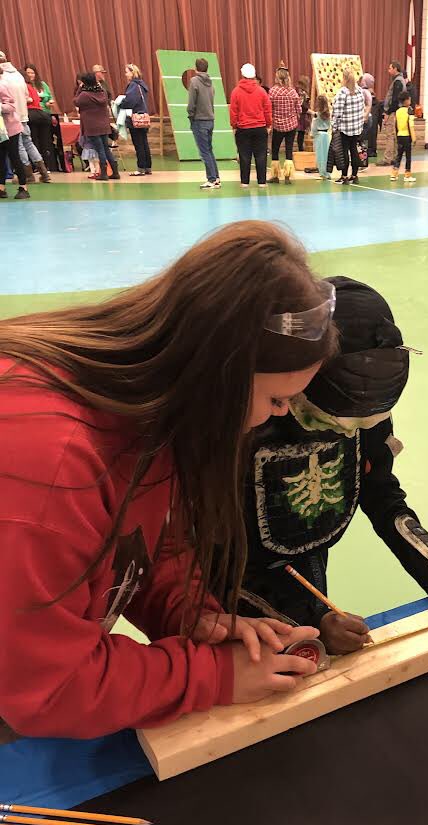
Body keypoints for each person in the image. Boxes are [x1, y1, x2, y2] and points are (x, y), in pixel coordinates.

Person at [0, 221, 338, 740]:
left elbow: (147, 541)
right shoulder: (48, 462)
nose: (277, 417)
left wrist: (189, 613)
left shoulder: (148, 413)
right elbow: (50, 688)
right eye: (275, 399)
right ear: (217, 374)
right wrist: (215, 676)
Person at [229, 276, 428, 653]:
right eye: (332, 422)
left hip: (305, 563)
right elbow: (210, 563)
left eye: (364, 424)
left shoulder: (361, 408)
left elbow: (380, 493)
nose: (348, 432)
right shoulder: (248, 422)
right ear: (300, 382)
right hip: (227, 593)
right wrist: (311, 618)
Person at [0, 51, 50, 183]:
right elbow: (27, 95)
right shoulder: (18, 75)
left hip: (9, 117)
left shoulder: (3, 77)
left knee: (19, 146)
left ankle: (27, 175)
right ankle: (44, 172)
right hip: (23, 114)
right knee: (28, 142)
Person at [230, 63, 272, 189]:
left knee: (244, 155)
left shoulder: (236, 91)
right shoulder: (262, 91)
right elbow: (267, 109)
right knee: (261, 155)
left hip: (243, 128)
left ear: (242, 75)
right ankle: (262, 182)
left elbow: (233, 111)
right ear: (254, 76)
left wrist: (234, 126)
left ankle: (245, 182)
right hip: (260, 127)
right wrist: (268, 125)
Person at [74, 73, 120, 181]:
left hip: (92, 126)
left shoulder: (84, 95)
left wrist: (79, 89)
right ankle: (115, 172)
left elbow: (76, 101)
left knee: (100, 149)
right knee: (105, 148)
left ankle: (103, 173)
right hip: (104, 125)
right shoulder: (102, 92)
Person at [188, 58, 220, 190]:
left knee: (204, 151)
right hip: (210, 119)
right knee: (209, 150)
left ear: (196, 68)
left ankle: (211, 179)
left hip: (199, 120)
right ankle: (216, 178)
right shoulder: (210, 82)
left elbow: (191, 102)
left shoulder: (194, 81)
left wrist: (190, 115)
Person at [0, 66, 30, 199]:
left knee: (14, 156)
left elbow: (11, 106)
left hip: (10, 128)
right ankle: (1, 188)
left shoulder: (3, 85)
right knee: (0, 158)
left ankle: (23, 187)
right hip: (1, 129)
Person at [332, 68, 365, 185]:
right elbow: (362, 108)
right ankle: (354, 175)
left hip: (345, 128)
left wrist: (334, 126)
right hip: (357, 127)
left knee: (344, 152)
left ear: (344, 78)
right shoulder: (360, 91)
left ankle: (344, 176)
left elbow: (337, 112)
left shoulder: (342, 93)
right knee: (354, 150)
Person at [269, 64, 301, 184]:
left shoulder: (273, 91)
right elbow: (299, 109)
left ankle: (275, 176)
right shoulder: (292, 92)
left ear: (277, 77)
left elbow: (269, 108)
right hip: (291, 125)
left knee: (275, 149)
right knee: (289, 150)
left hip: (277, 125)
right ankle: (287, 177)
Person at [120, 63, 152, 176]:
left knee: (138, 143)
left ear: (132, 72)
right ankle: (147, 167)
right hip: (144, 116)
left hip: (135, 118)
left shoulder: (133, 85)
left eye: (127, 72)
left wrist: (121, 103)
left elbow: (130, 101)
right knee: (144, 142)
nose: (125, 74)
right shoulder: (142, 85)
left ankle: (140, 168)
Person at [23, 64, 56, 172]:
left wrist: (49, 102)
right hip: (32, 114)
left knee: (45, 140)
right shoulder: (24, 85)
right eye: (28, 73)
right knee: (33, 140)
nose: (30, 75)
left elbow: (49, 97)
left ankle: (46, 165)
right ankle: (37, 166)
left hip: (44, 114)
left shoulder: (42, 84)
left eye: (32, 73)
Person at [380, 61, 407, 166]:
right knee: (394, 135)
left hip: (393, 112)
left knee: (390, 135)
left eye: (390, 68)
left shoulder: (398, 82)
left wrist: (388, 112)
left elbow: (395, 99)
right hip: (397, 112)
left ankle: (388, 158)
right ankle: (395, 157)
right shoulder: (400, 80)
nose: (388, 71)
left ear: (395, 69)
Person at [391, 91, 416, 183]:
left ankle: (394, 174)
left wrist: (396, 135)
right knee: (408, 156)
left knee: (399, 155)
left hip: (399, 136)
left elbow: (395, 125)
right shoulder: (409, 111)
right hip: (407, 136)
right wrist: (414, 138)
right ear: (406, 101)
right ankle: (407, 175)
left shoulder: (397, 111)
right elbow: (411, 125)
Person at [313, 94, 332, 179]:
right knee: (327, 155)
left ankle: (322, 172)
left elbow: (314, 127)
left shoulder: (316, 115)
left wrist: (312, 134)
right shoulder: (328, 114)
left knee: (320, 155)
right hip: (326, 135)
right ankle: (327, 172)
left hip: (319, 135)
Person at [296, 75, 312, 152]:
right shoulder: (302, 93)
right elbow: (302, 105)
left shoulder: (301, 92)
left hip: (302, 114)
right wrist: (310, 111)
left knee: (301, 133)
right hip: (301, 115)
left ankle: (301, 148)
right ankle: (300, 149)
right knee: (301, 133)